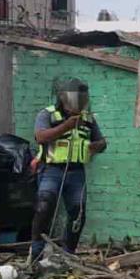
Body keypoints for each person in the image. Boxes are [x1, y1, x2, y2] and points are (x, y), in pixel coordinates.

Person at [29, 78, 107, 260]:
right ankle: (36, 251)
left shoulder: (88, 119)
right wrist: (67, 126)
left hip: (76, 171)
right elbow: (41, 137)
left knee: (78, 212)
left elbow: (102, 142)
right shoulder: (47, 115)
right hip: (52, 169)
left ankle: (68, 253)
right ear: (63, 98)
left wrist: (96, 146)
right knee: (44, 206)